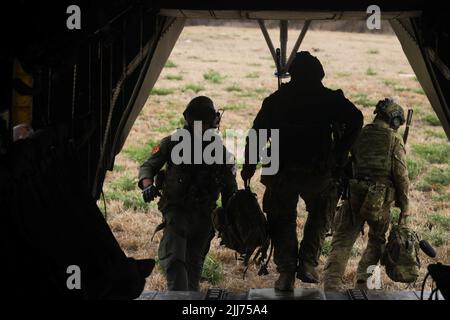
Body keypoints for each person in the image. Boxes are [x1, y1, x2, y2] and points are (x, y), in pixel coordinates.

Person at [241, 51, 363, 291]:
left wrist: (249, 165)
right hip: (318, 170)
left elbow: (258, 135)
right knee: (320, 215)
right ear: (319, 75)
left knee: (281, 218)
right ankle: (307, 262)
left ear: (292, 74)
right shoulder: (328, 98)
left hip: (281, 171)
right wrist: (340, 152)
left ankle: (286, 272)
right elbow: (356, 119)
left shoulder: (276, 100)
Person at [138, 96, 237, 291]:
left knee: (192, 262)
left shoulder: (220, 153)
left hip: (203, 215)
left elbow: (229, 190)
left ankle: (189, 302)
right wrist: (147, 184)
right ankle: (183, 300)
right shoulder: (174, 144)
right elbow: (148, 167)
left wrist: (230, 213)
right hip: (178, 211)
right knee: (176, 260)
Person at [323, 98, 410, 290]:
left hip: (354, 194)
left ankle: (331, 284)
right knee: (377, 241)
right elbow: (401, 176)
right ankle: (365, 282)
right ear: (395, 120)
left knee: (342, 241)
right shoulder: (394, 140)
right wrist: (405, 206)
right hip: (380, 201)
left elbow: (346, 162)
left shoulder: (359, 134)